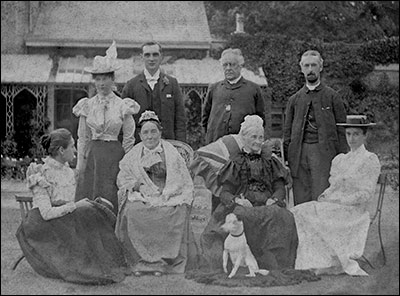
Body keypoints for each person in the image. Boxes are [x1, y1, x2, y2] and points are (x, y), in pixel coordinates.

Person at [15, 128, 127, 284]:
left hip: (63, 220)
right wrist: (75, 206)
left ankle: (109, 262)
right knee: (87, 212)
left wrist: (81, 205)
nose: (75, 150)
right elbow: (46, 213)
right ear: (61, 150)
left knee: (92, 212)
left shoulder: (68, 172)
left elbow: (69, 204)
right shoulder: (41, 174)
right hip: (42, 225)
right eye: (72, 146)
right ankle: (94, 266)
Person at [190, 115, 298, 272]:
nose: (258, 141)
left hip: (267, 203)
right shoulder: (236, 162)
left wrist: (274, 198)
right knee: (239, 215)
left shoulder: (270, 160)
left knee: (283, 216)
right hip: (243, 203)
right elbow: (225, 192)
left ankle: (274, 265)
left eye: (261, 137)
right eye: (253, 137)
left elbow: (280, 186)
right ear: (244, 137)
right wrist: (237, 201)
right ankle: (237, 266)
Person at [290, 115, 381, 276]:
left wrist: (340, 200)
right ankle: (318, 260)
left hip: (354, 211)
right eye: (348, 134)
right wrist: (326, 195)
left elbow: (366, 194)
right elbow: (334, 188)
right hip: (334, 206)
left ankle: (326, 262)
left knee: (306, 212)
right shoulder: (341, 160)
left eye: (356, 134)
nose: (351, 138)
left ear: (365, 135)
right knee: (298, 211)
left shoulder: (369, 160)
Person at [115, 110, 198, 276]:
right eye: (145, 132)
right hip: (143, 195)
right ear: (140, 135)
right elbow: (122, 179)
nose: (150, 136)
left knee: (175, 212)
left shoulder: (172, 153)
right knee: (134, 211)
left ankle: (165, 261)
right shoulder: (133, 155)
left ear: (160, 132)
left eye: (154, 131)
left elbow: (182, 179)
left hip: (168, 194)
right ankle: (141, 261)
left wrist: (167, 191)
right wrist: (137, 185)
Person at [73, 41, 140, 214]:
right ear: (94, 81)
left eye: (105, 78)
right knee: (89, 200)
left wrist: (127, 166)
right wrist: (80, 166)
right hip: (93, 157)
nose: (102, 83)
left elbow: (128, 140)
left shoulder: (122, 105)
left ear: (112, 79)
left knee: (110, 199)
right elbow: (83, 138)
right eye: (98, 79)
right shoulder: (87, 105)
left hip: (114, 157)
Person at [283, 49, 348, 206]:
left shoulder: (333, 97)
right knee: (301, 201)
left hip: (324, 155)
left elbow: (342, 131)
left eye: (313, 65)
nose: (310, 69)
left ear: (321, 67)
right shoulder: (294, 100)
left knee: (322, 199)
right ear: (301, 68)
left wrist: (342, 160)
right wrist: (286, 160)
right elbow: (287, 134)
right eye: (306, 66)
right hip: (298, 156)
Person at [121, 41, 187, 143]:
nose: (151, 59)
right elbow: (124, 119)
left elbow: (180, 119)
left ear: (161, 57)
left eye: (155, 54)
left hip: (168, 144)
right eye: (147, 55)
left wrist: (180, 146)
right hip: (140, 146)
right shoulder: (131, 85)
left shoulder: (172, 84)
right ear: (142, 57)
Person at [201, 48, 266, 145]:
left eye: (232, 64)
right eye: (225, 65)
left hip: (244, 146)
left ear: (240, 66)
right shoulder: (214, 88)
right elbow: (205, 119)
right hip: (217, 145)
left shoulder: (253, 89)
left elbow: (261, 119)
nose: (228, 68)